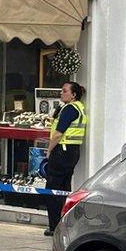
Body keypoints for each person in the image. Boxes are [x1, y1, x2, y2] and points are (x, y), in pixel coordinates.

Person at [43, 81, 87, 236]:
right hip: (72, 152)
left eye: (64, 91)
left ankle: (54, 226)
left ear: (73, 94)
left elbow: (58, 133)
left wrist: (49, 151)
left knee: (52, 190)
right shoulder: (79, 108)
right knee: (63, 189)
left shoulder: (69, 109)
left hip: (62, 151)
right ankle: (64, 224)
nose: (61, 93)